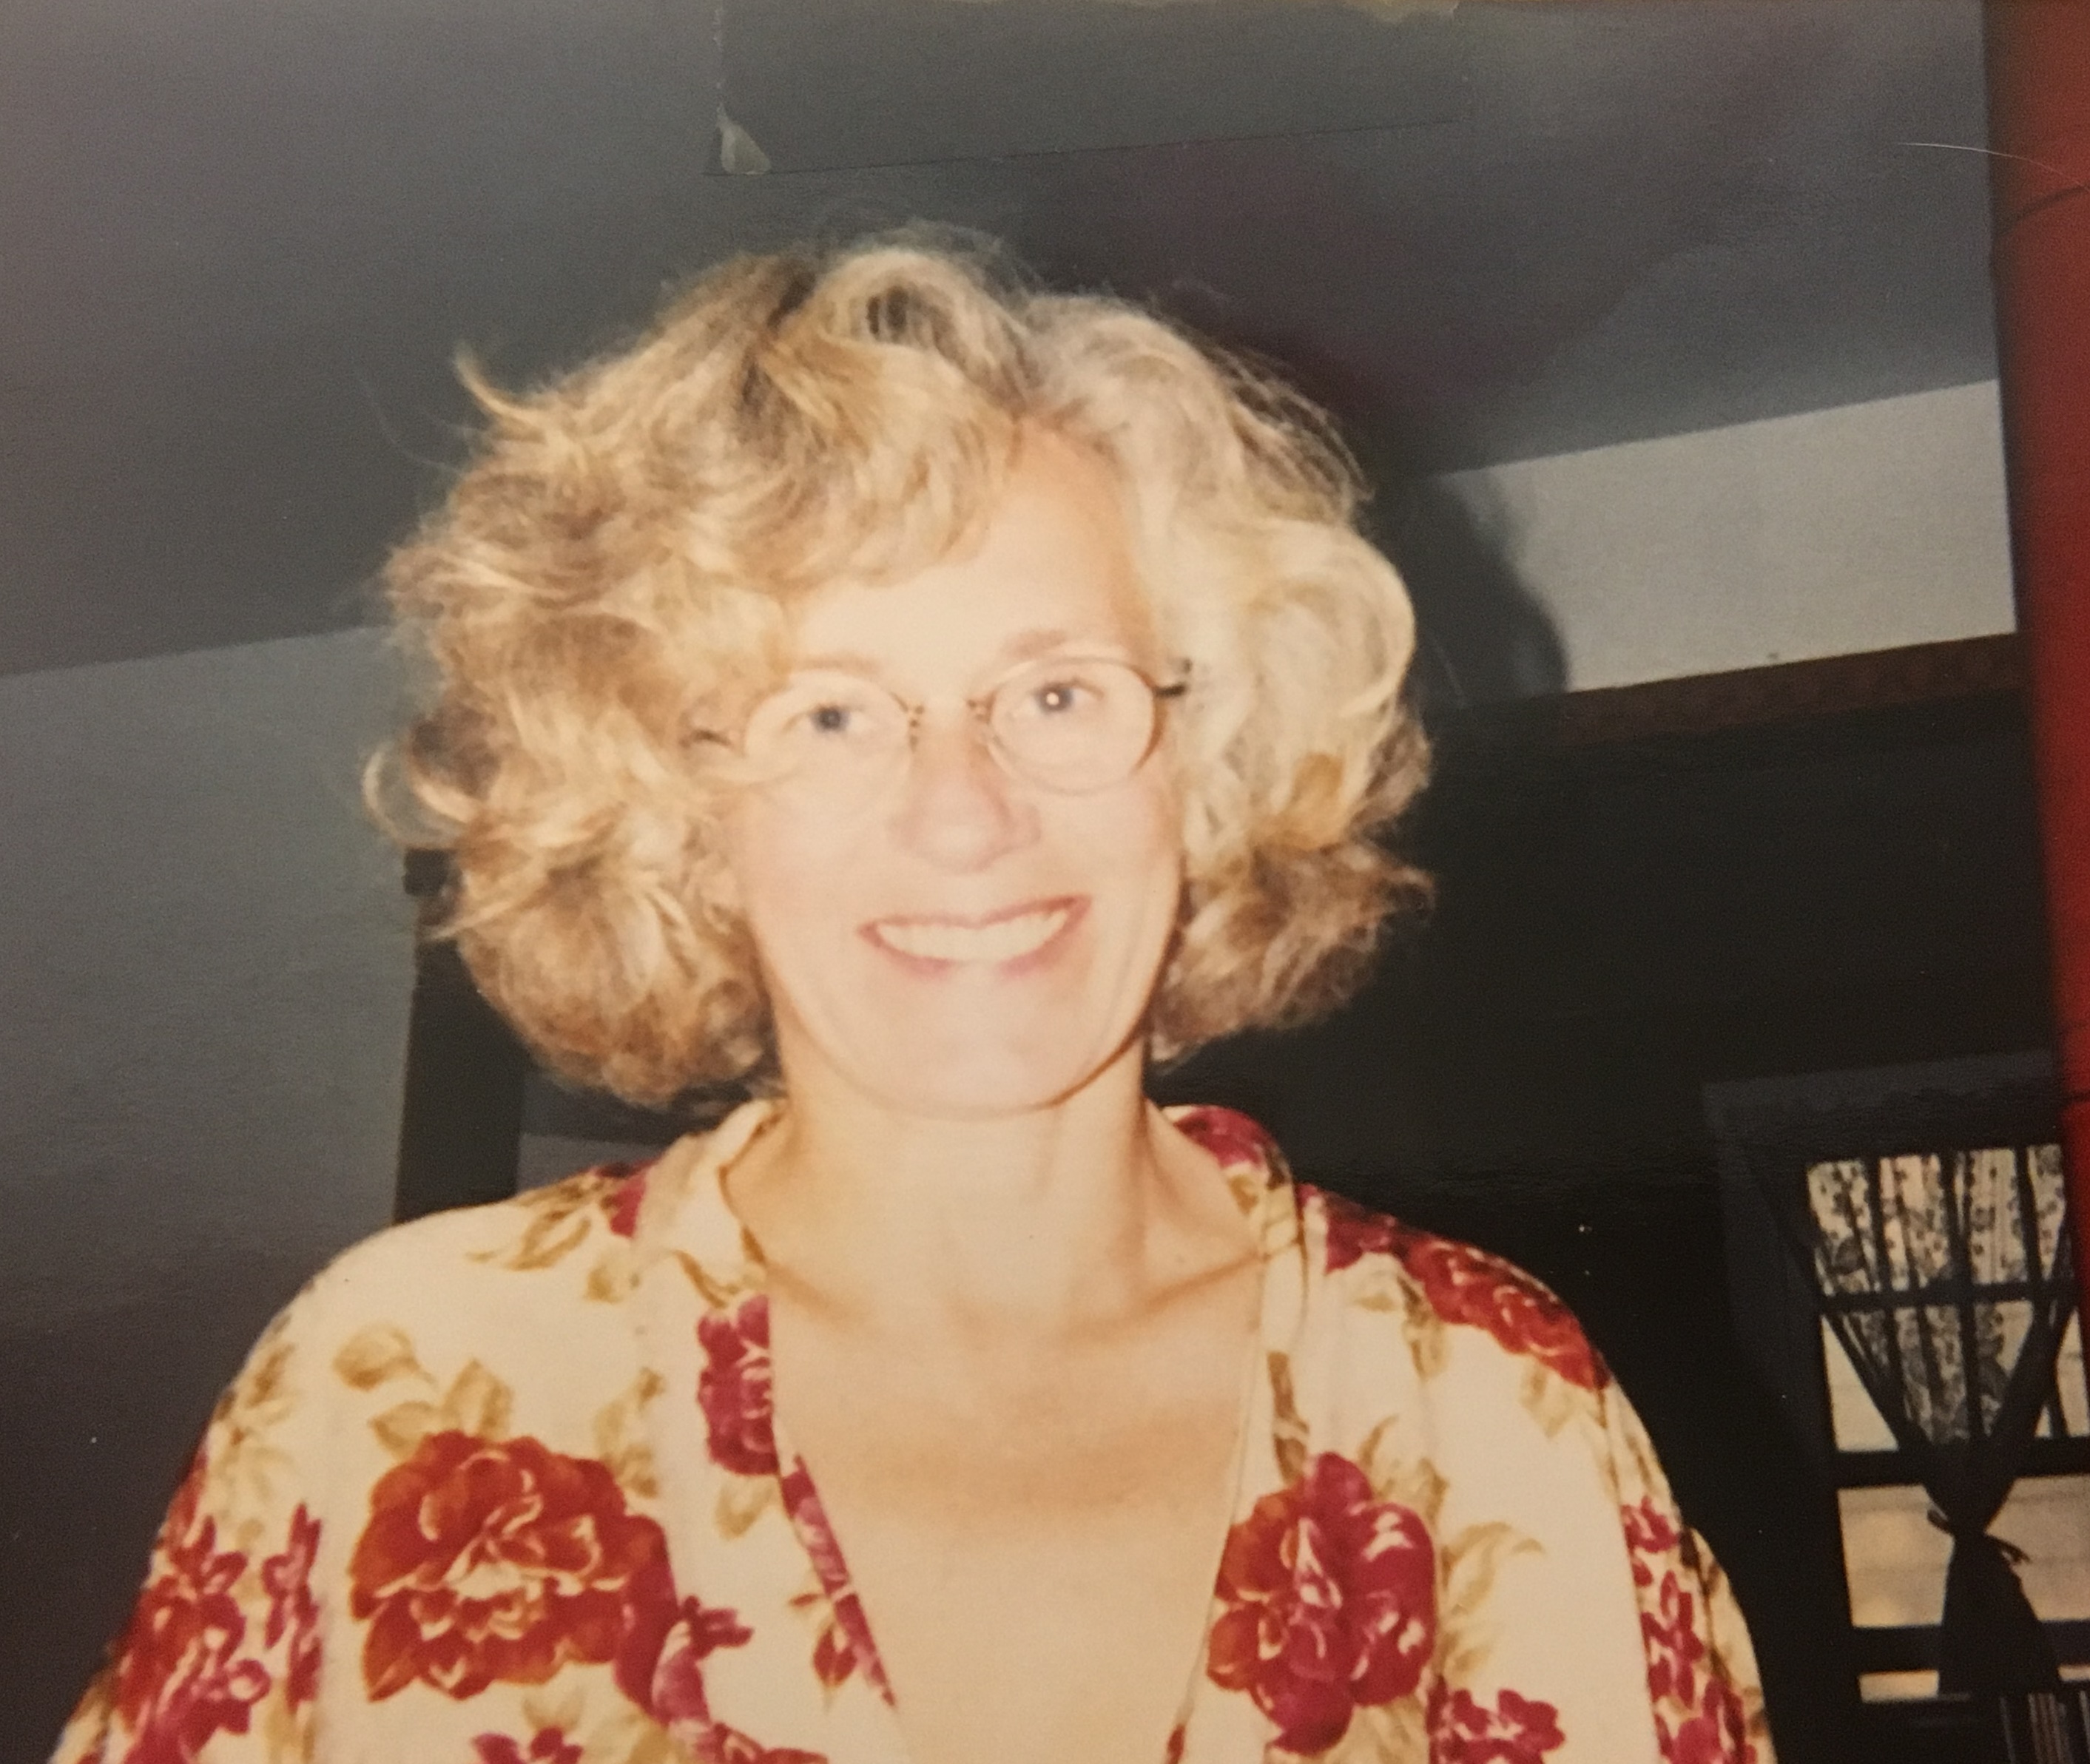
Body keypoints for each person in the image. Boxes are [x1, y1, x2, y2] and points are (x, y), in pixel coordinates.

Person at [54, 235, 1771, 1764]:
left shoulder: (1480, 1399)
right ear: (682, 806)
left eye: (1059, 692)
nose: (964, 814)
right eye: (829, 716)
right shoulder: (408, 1388)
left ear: (1212, 756)